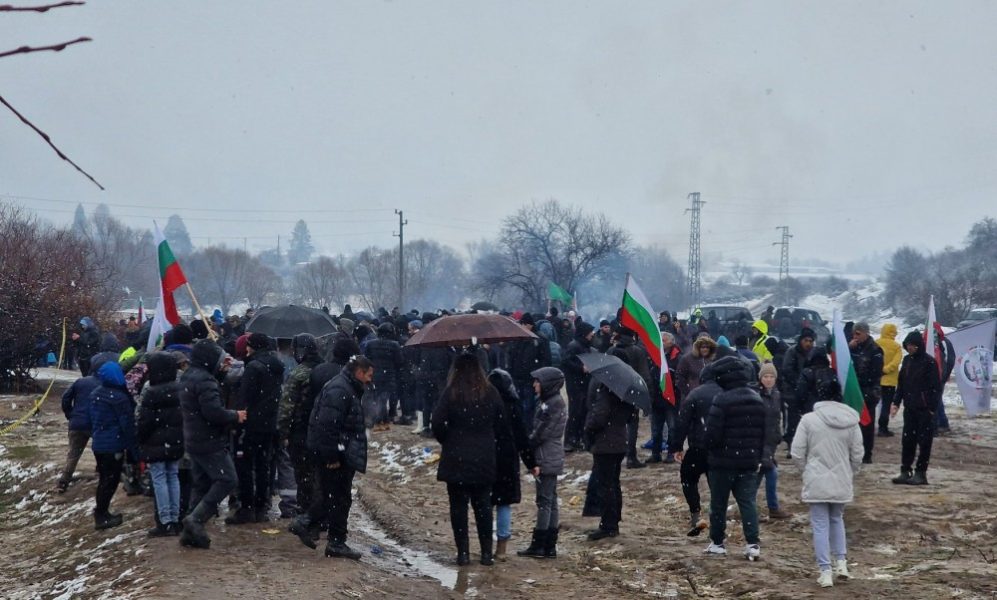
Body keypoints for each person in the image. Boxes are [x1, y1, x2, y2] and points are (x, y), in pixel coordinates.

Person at [290, 355, 371, 560]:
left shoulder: (345, 387)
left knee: (334, 496)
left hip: (339, 450)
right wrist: (331, 455)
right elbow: (327, 425)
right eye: (368, 375)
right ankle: (330, 538)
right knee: (337, 497)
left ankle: (318, 529)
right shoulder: (340, 390)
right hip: (336, 453)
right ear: (359, 372)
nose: (370, 380)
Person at [431, 352, 505, 566]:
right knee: (483, 506)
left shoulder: (451, 393)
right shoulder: (490, 392)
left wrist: (448, 438)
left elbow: (437, 422)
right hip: (483, 457)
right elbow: (501, 423)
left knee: (458, 508)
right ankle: (486, 553)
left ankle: (463, 552)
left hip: (456, 458)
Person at [791, 378, 864, 588]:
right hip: (841, 478)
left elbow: (797, 452)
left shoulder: (808, 420)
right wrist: (850, 471)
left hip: (816, 479)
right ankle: (842, 564)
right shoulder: (851, 420)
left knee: (820, 526)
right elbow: (858, 453)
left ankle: (825, 571)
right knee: (837, 519)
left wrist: (806, 470)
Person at [179, 340, 247, 549]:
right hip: (209, 440)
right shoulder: (206, 381)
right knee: (227, 479)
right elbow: (213, 413)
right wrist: (235, 415)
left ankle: (189, 532)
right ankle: (196, 520)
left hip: (193, 438)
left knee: (201, 484)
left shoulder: (189, 376)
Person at [703, 356, 769, 560]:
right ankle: (752, 543)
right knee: (748, 502)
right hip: (749, 461)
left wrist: (708, 445)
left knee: (719, 503)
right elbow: (763, 433)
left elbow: (712, 436)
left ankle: (717, 542)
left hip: (722, 462)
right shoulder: (757, 399)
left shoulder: (721, 400)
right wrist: (757, 456)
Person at [229, 333, 285, 524]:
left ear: (253, 347)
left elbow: (245, 396)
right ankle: (261, 507)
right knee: (263, 465)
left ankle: (246, 508)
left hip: (251, 422)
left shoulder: (253, 367)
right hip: (269, 423)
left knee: (244, 465)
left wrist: (238, 419)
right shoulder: (277, 366)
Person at [669, 360, 722, 537]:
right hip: (719, 448)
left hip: (698, 447)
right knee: (717, 484)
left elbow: (682, 422)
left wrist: (677, 446)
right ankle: (718, 519)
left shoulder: (695, 394)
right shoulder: (726, 393)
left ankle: (695, 513)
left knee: (688, 479)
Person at [518, 367, 567, 559]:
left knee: (545, 501)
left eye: (537, 381)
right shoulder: (551, 402)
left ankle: (540, 543)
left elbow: (542, 431)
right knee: (550, 499)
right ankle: (549, 544)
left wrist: (528, 444)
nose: (534, 384)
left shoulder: (552, 404)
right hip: (551, 453)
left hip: (546, 454)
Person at [487, 369, 535, 561]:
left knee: (485, 502)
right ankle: (501, 548)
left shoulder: (485, 404)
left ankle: (485, 545)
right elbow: (522, 437)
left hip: (487, 457)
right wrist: (531, 462)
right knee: (504, 503)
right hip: (507, 459)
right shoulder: (514, 406)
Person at [137, 352, 185, 537]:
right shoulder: (180, 389)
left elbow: (145, 421)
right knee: (173, 476)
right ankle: (175, 518)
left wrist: (141, 438)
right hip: (175, 440)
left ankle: (164, 521)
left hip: (156, 442)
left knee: (159, 479)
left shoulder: (152, 392)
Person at [87, 361, 137, 530]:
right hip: (113, 445)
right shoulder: (120, 398)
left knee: (104, 479)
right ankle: (101, 515)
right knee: (110, 480)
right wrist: (133, 449)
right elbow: (127, 425)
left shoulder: (96, 394)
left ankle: (102, 512)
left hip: (99, 444)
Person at [277, 334, 323, 517]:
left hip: (301, 430)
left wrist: (282, 433)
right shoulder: (326, 369)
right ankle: (321, 512)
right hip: (323, 430)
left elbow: (286, 407)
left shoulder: (298, 373)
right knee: (320, 475)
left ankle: (306, 514)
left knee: (304, 476)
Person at [56, 353, 116, 493]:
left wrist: (70, 414)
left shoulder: (81, 382)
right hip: (96, 424)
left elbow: (66, 398)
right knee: (101, 450)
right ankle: (101, 474)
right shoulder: (105, 385)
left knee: (73, 454)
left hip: (77, 423)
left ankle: (63, 481)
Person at [890, 331, 942, 486]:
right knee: (908, 440)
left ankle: (921, 473)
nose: (910, 348)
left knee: (924, 442)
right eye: (908, 345)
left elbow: (936, 388)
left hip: (925, 410)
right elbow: (901, 385)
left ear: (919, 345)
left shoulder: (929, 362)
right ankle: (905, 470)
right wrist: (896, 402)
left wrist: (932, 408)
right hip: (910, 408)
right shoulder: (906, 361)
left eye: (913, 345)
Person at [583, 375, 632, 541]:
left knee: (605, 485)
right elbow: (631, 416)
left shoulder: (606, 391)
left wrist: (588, 430)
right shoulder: (627, 392)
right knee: (614, 483)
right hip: (619, 442)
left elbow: (598, 418)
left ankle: (608, 525)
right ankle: (614, 520)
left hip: (605, 445)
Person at [608, 327, 652, 469]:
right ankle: (631, 457)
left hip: (612, 392)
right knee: (632, 425)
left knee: (615, 425)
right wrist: (646, 393)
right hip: (632, 391)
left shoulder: (611, 351)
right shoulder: (638, 351)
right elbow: (644, 375)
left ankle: (615, 455)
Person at [756, 363, 789, 519]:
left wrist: (777, 435)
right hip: (758, 442)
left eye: (771, 377)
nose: (768, 380)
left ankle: (772, 507)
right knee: (760, 476)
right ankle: (751, 507)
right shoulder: (756, 395)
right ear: (760, 378)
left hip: (770, 442)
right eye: (765, 377)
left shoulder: (776, 395)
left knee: (769, 474)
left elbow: (777, 418)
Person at [849, 322, 884, 463]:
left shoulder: (875, 350)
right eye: (854, 334)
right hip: (854, 390)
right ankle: (853, 451)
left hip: (868, 391)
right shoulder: (853, 348)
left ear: (866, 333)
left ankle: (866, 453)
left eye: (858, 333)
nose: (855, 337)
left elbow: (875, 373)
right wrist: (849, 349)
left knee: (866, 424)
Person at [560, 321, 596, 453]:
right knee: (575, 412)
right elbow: (565, 362)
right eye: (590, 332)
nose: (593, 334)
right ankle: (570, 441)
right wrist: (581, 368)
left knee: (583, 412)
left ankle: (579, 438)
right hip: (575, 385)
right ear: (584, 333)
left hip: (584, 384)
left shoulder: (585, 346)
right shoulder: (574, 346)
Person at [649, 332, 683, 464]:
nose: (662, 343)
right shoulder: (655, 355)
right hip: (657, 398)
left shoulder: (677, 357)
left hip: (671, 398)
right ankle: (655, 453)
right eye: (660, 340)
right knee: (656, 429)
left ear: (671, 342)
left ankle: (671, 452)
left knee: (672, 428)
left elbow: (680, 377)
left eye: (664, 340)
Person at [364, 322, 405, 428]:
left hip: (374, 373)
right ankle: (387, 416)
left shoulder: (370, 344)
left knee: (376, 395)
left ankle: (377, 416)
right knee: (387, 395)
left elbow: (366, 359)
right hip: (389, 374)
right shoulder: (394, 344)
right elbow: (400, 361)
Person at [781, 328, 815, 451]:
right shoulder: (792, 352)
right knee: (793, 420)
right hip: (792, 391)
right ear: (801, 340)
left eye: (811, 341)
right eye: (806, 340)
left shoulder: (812, 353)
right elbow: (787, 370)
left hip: (808, 392)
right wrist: (800, 383)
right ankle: (791, 444)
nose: (808, 343)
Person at [876, 323, 902, 437]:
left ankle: (868, 425)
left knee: (872, 403)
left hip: (876, 379)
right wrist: (886, 369)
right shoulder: (896, 346)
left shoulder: (876, 343)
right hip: (890, 381)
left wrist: (879, 369)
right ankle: (883, 428)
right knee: (886, 405)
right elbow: (896, 362)